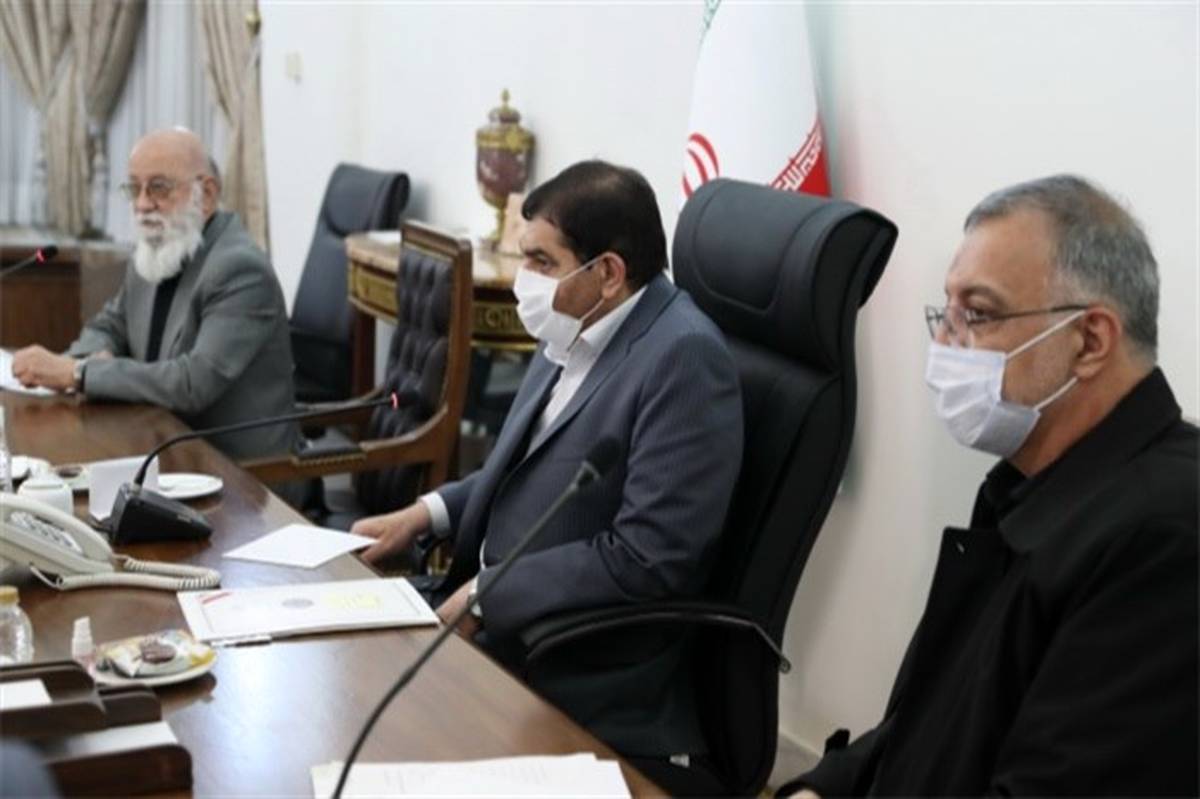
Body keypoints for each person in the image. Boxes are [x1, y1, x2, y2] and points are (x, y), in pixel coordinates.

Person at [784, 175, 1197, 797]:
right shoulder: (1025, 485)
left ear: (1090, 341)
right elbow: (929, 724)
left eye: (977, 314)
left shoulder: (1168, 539)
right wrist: (822, 788)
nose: (946, 345)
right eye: (946, 314)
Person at [353, 160, 744, 758]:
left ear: (608, 273)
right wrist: (427, 513)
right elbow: (533, 469)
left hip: (566, 658)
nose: (524, 281)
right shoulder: (572, 322)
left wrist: (491, 595)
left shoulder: (684, 359)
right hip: (482, 608)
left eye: (541, 262)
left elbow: (648, 557)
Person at [12, 128, 297, 464]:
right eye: (135, 188)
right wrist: (93, 355)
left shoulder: (240, 270)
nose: (143, 204)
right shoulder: (158, 247)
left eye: (159, 188)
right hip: (161, 445)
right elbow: (109, 326)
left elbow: (191, 384)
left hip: (240, 471)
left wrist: (78, 373)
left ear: (206, 194)